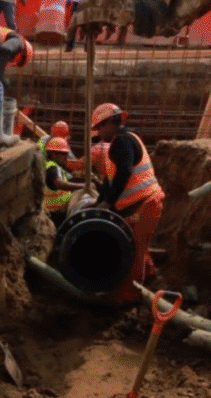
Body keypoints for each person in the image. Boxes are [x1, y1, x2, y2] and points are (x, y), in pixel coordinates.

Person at [91, 103, 164, 304]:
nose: (98, 133)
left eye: (99, 128)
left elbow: (124, 173)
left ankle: (127, 298)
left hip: (146, 204)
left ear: (109, 123)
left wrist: (108, 203)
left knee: (134, 251)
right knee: (137, 244)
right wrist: (98, 203)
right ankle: (149, 274)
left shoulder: (122, 142)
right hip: (143, 204)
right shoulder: (120, 142)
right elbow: (111, 181)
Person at [43, 137, 85, 227]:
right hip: (54, 215)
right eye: (63, 154)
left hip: (56, 213)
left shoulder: (55, 166)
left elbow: (70, 180)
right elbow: (59, 184)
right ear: (53, 154)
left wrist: (86, 181)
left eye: (66, 154)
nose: (66, 157)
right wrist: (84, 186)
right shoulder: (52, 168)